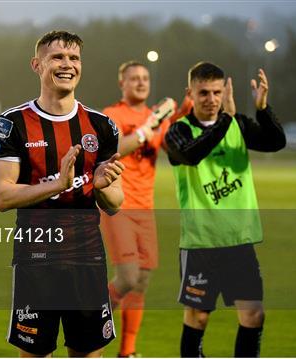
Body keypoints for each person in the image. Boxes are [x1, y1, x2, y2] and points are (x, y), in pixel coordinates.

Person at [0, 30, 125, 358]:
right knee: (35, 354)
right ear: (37, 64)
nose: (67, 65)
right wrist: (57, 184)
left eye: (74, 58)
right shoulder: (14, 123)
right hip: (36, 260)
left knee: (89, 352)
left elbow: (115, 203)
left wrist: (100, 186)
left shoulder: (102, 126)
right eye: (57, 57)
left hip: (86, 258)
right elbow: (2, 196)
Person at [165, 62, 286, 357]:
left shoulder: (238, 124)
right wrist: (226, 120)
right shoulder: (177, 131)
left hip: (239, 242)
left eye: (216, 92)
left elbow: (275, 142)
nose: (211, 99)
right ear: (190, 93)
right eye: (203, 92)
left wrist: (262, 109)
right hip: (200, 243)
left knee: (253, 315)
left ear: (223, 92)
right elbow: (192, 154)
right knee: (198, 317)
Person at [100, 61, 192, 357]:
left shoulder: (157, 118)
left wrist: (181, 116)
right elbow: (112, 150)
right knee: (127, 277)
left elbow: (172, 147)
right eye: (134, 78)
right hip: (117, 206)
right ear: (121, 83)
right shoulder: (111, 115)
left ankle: (127, 352)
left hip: (145, 209)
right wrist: (146, 128)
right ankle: (88, 321)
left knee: (141, 282)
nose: (140, 83)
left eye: (145, 78)